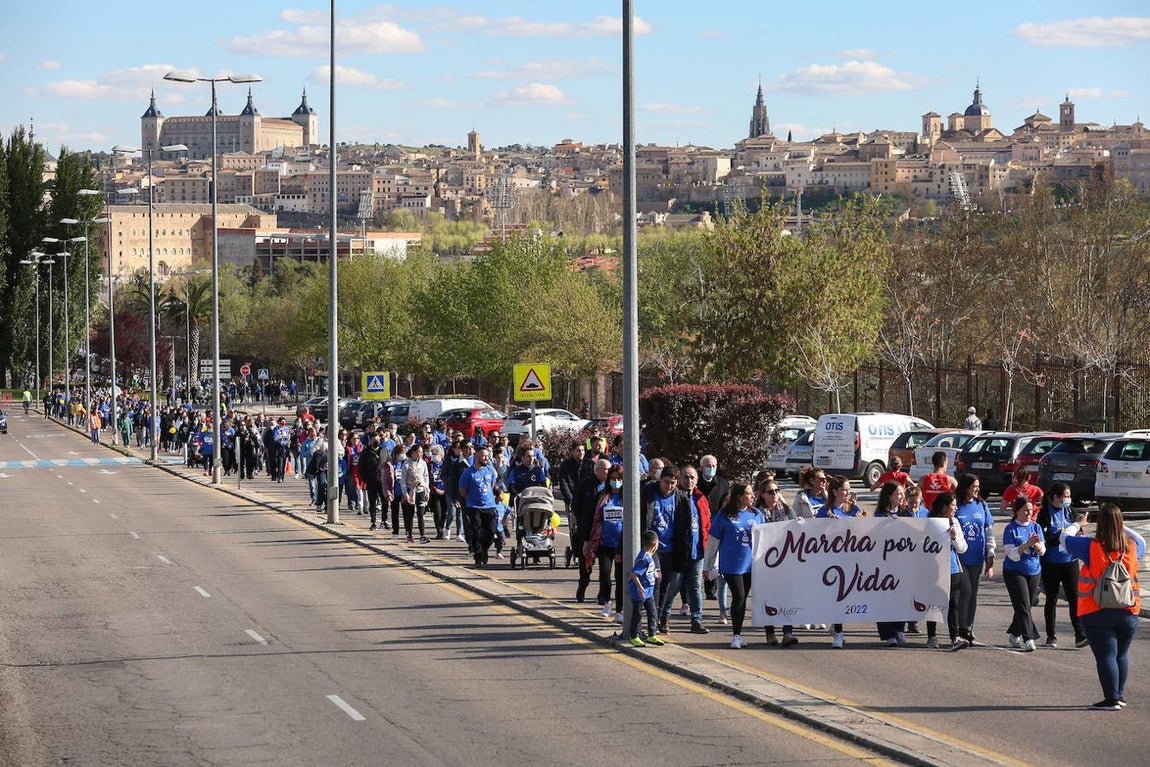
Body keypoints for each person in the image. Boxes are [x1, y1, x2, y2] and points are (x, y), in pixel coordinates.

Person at [1061, 503, 1145, 710]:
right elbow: (1142, 539)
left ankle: (1111, 699)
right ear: (1120, 523)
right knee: (1121, 655)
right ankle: (1119, 695)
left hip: (1096, 611)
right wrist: (1120, 525)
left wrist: (1077, 523)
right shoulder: (1132, 547)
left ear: (1100, 524)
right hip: (1128, 611)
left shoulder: (1091, 546)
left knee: (1106, 656)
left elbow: (1064, 538)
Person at [703, 483, 763, 649]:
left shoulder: (757, 514)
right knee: (739, 596)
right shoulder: (724, 516)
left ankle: (739, 633)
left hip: (750, 565)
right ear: (739, 496)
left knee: (742, 600)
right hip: (731, 565)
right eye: (749, 494)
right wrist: (707, 566)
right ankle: (735, 636)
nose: (753, 497)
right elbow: (713, 542)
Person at [1036, 483, 1088, 649]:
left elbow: (1076, 533)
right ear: (1055, 497)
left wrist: (1078, 534)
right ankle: (1051, 635)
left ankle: (1079, 634)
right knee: (1051, 599)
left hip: (1069, 562)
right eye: (1064, 496)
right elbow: (1043, 539)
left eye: (1068, 496)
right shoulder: (1044, 514)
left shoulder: (1071, 512)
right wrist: (1061, 536)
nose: (1067, 499)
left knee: (1074, 598)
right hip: (1051, 563)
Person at [953, 473, 995, 648]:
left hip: (977, 557)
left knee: (973, 594)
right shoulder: (957, 505)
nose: (977, 490)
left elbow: (989, 531)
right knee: (966, 591)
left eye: (978, 486)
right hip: (960, 557)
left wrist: (990, 555)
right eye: (974, 487)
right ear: (965, 487)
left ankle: (969, 626)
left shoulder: (981, 505)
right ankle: (961, 627)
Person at [924, 493, 968, 649]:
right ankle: (931, 636)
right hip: (934, 569)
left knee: (953, 603)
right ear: (944, 507)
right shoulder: (930, 523)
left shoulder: (955, 522)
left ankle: (954, 636)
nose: (956, 508)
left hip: (953, 569)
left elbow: (962, 548)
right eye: (953, 505)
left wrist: (955, 538)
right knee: (934, 602)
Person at [758, 478, 798, 646]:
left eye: (776, 490)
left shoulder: (787, 510)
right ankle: (770, 633)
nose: (774, 494)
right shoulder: (758, 512)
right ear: (762, 495)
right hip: (764, 561)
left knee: (786, 596)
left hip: (785, 560)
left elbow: (797, 529)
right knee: (769, 597)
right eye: (770, 492)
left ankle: (787, 632)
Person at [1002, 496, 1044, 651]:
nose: (1029, 513)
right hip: (1014, 571)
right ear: (1017, 511)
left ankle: (1015, 632)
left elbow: (1042, 550)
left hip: (1034, 571)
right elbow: (1012, 554)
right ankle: (1028, 638)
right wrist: (1027, 544)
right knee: (1022, 604)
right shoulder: (1011, 528)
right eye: (1025, 510)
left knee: (1026, 604)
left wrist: (1038, 546)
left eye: (1031, 510)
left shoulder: (1036, 527)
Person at [587, 464, 626, 621]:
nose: (616, 481)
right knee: (605, 573)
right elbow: (594, 520)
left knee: (620, 577)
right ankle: (607, 602)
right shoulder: (602, 497)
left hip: (621, 545)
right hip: (604, 543)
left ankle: (620, 610)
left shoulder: (627, 498)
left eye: (619, 478)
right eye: (613, 478)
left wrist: (621, 548)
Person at [875, 481, 909, 646]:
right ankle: (888, 633)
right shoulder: (880, 515)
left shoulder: (906, 513)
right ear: (889, 496)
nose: (901, 497)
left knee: (902, 597)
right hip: (884, 564)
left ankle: (899, 629)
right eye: (898, 494)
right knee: (885, 598)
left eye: (902, 494)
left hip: (902, 564)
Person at [572, 458, 611, 603]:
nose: (607, 472)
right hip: (587, 530)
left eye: (609, 469)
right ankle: (582, 587)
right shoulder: (585, 486)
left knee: (604, 568)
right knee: (586, 564)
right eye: (604, 469)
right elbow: (576, 506)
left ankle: (602, 595)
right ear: (597, 470)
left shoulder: (611, 487)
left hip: (604, 532)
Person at [459, 445, 500, 566]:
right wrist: (472, 498)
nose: (486, 458)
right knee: (476, 531)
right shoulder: (468, 473)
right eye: (483, 455)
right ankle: (478, 555)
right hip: (474, 506)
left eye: (487, 455)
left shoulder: (490, 470)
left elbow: (492, 485)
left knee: (491, 531)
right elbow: (462, 490)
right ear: (476, 456)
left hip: (489, 505)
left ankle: (485, 550)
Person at [626, 530, 666, 648]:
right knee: (637, 614)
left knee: (652, 612)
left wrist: (655, 574)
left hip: (649, 591)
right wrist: (639, 587)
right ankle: (634, 636)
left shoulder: (650, 556)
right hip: (640, 591)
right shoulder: (643, 558)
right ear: (654, 544)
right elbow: (634, 574)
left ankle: (651, 634)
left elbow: (648, 571)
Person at [401, 444, 430, 543]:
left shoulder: (423, 463)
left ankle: (423, 535)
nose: (420, 454)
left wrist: (427, 490)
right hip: (411, 491)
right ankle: (409, 534)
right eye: (419, 452)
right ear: (413, 452)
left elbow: (426, 477)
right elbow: (403, 480)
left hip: (421, 490)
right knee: (410, 513)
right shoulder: (406, 464)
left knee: (421, 514)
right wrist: (405, 494)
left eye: (421, 452)